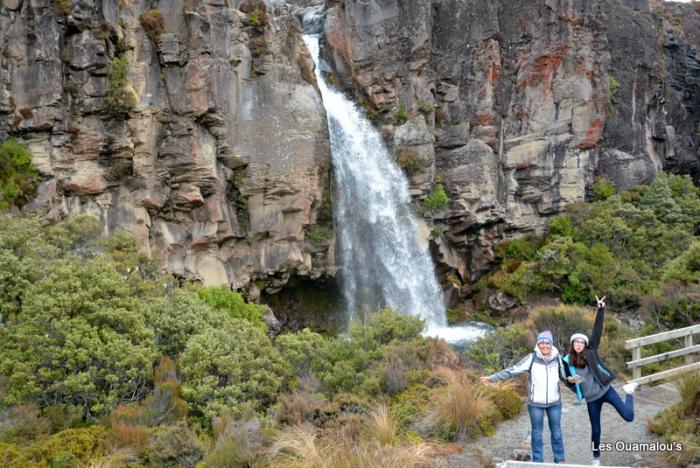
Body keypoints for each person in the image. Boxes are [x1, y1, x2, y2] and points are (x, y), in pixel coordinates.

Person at [563, 295, 637, 466]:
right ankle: (596, 458)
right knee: (595, 430)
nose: (579, 345)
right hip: (591, 399)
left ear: (585, 344)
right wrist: (571, 381)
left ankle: (629, 392)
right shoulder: (567, 360)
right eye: (576, 342)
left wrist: (601, 309)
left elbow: (597, 330)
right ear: (572, 344)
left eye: (582, 342)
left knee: (629, 416)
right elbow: (568, 381)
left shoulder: (591, 350)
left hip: (606, 390)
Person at [480, 330, 568, 464]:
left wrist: (581, 387)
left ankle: (560, 460)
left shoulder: (558, 358)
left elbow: (566, 377)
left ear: (551, 345)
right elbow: (512, 371)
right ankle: (538, 461)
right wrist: (492, 378)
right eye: (542, 343)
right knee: (537, 433)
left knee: (556, 432)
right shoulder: (532, 358)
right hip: (535, 404)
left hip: (554, 403)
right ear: (538, 345)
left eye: (547, 343)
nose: (544, 346)